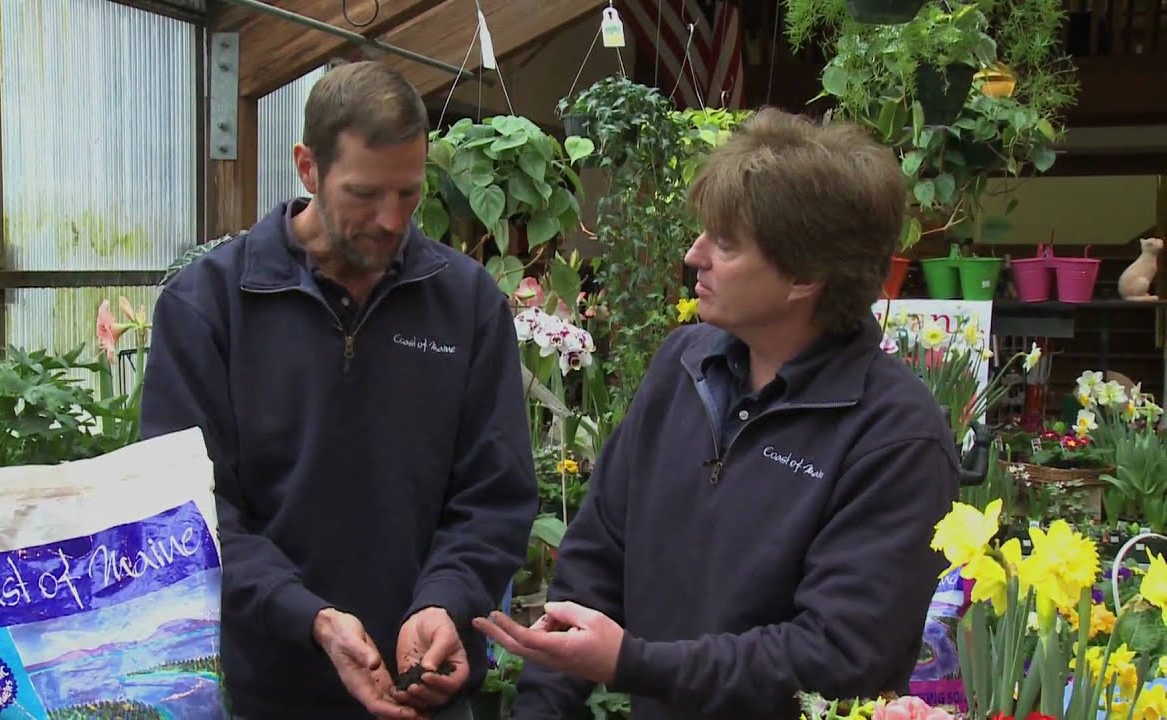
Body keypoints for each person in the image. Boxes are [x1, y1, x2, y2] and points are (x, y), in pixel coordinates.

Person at [474, 108, 962, 719]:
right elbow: (595, 557)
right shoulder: (685, 365)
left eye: (725, 244)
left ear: (806, 275)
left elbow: (839, 658)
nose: (693, 254)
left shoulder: (895, 438)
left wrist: (634, 663)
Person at [140, 60, 537, 719]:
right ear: (308, 167)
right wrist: (310, 618)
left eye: (408, 193)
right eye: (364, 193)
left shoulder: (465, 305)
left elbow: (494, 495)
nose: (391, 219)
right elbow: (192, 513)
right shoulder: (210, 307)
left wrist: (446, 600)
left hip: (423, 692)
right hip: (266, 695)